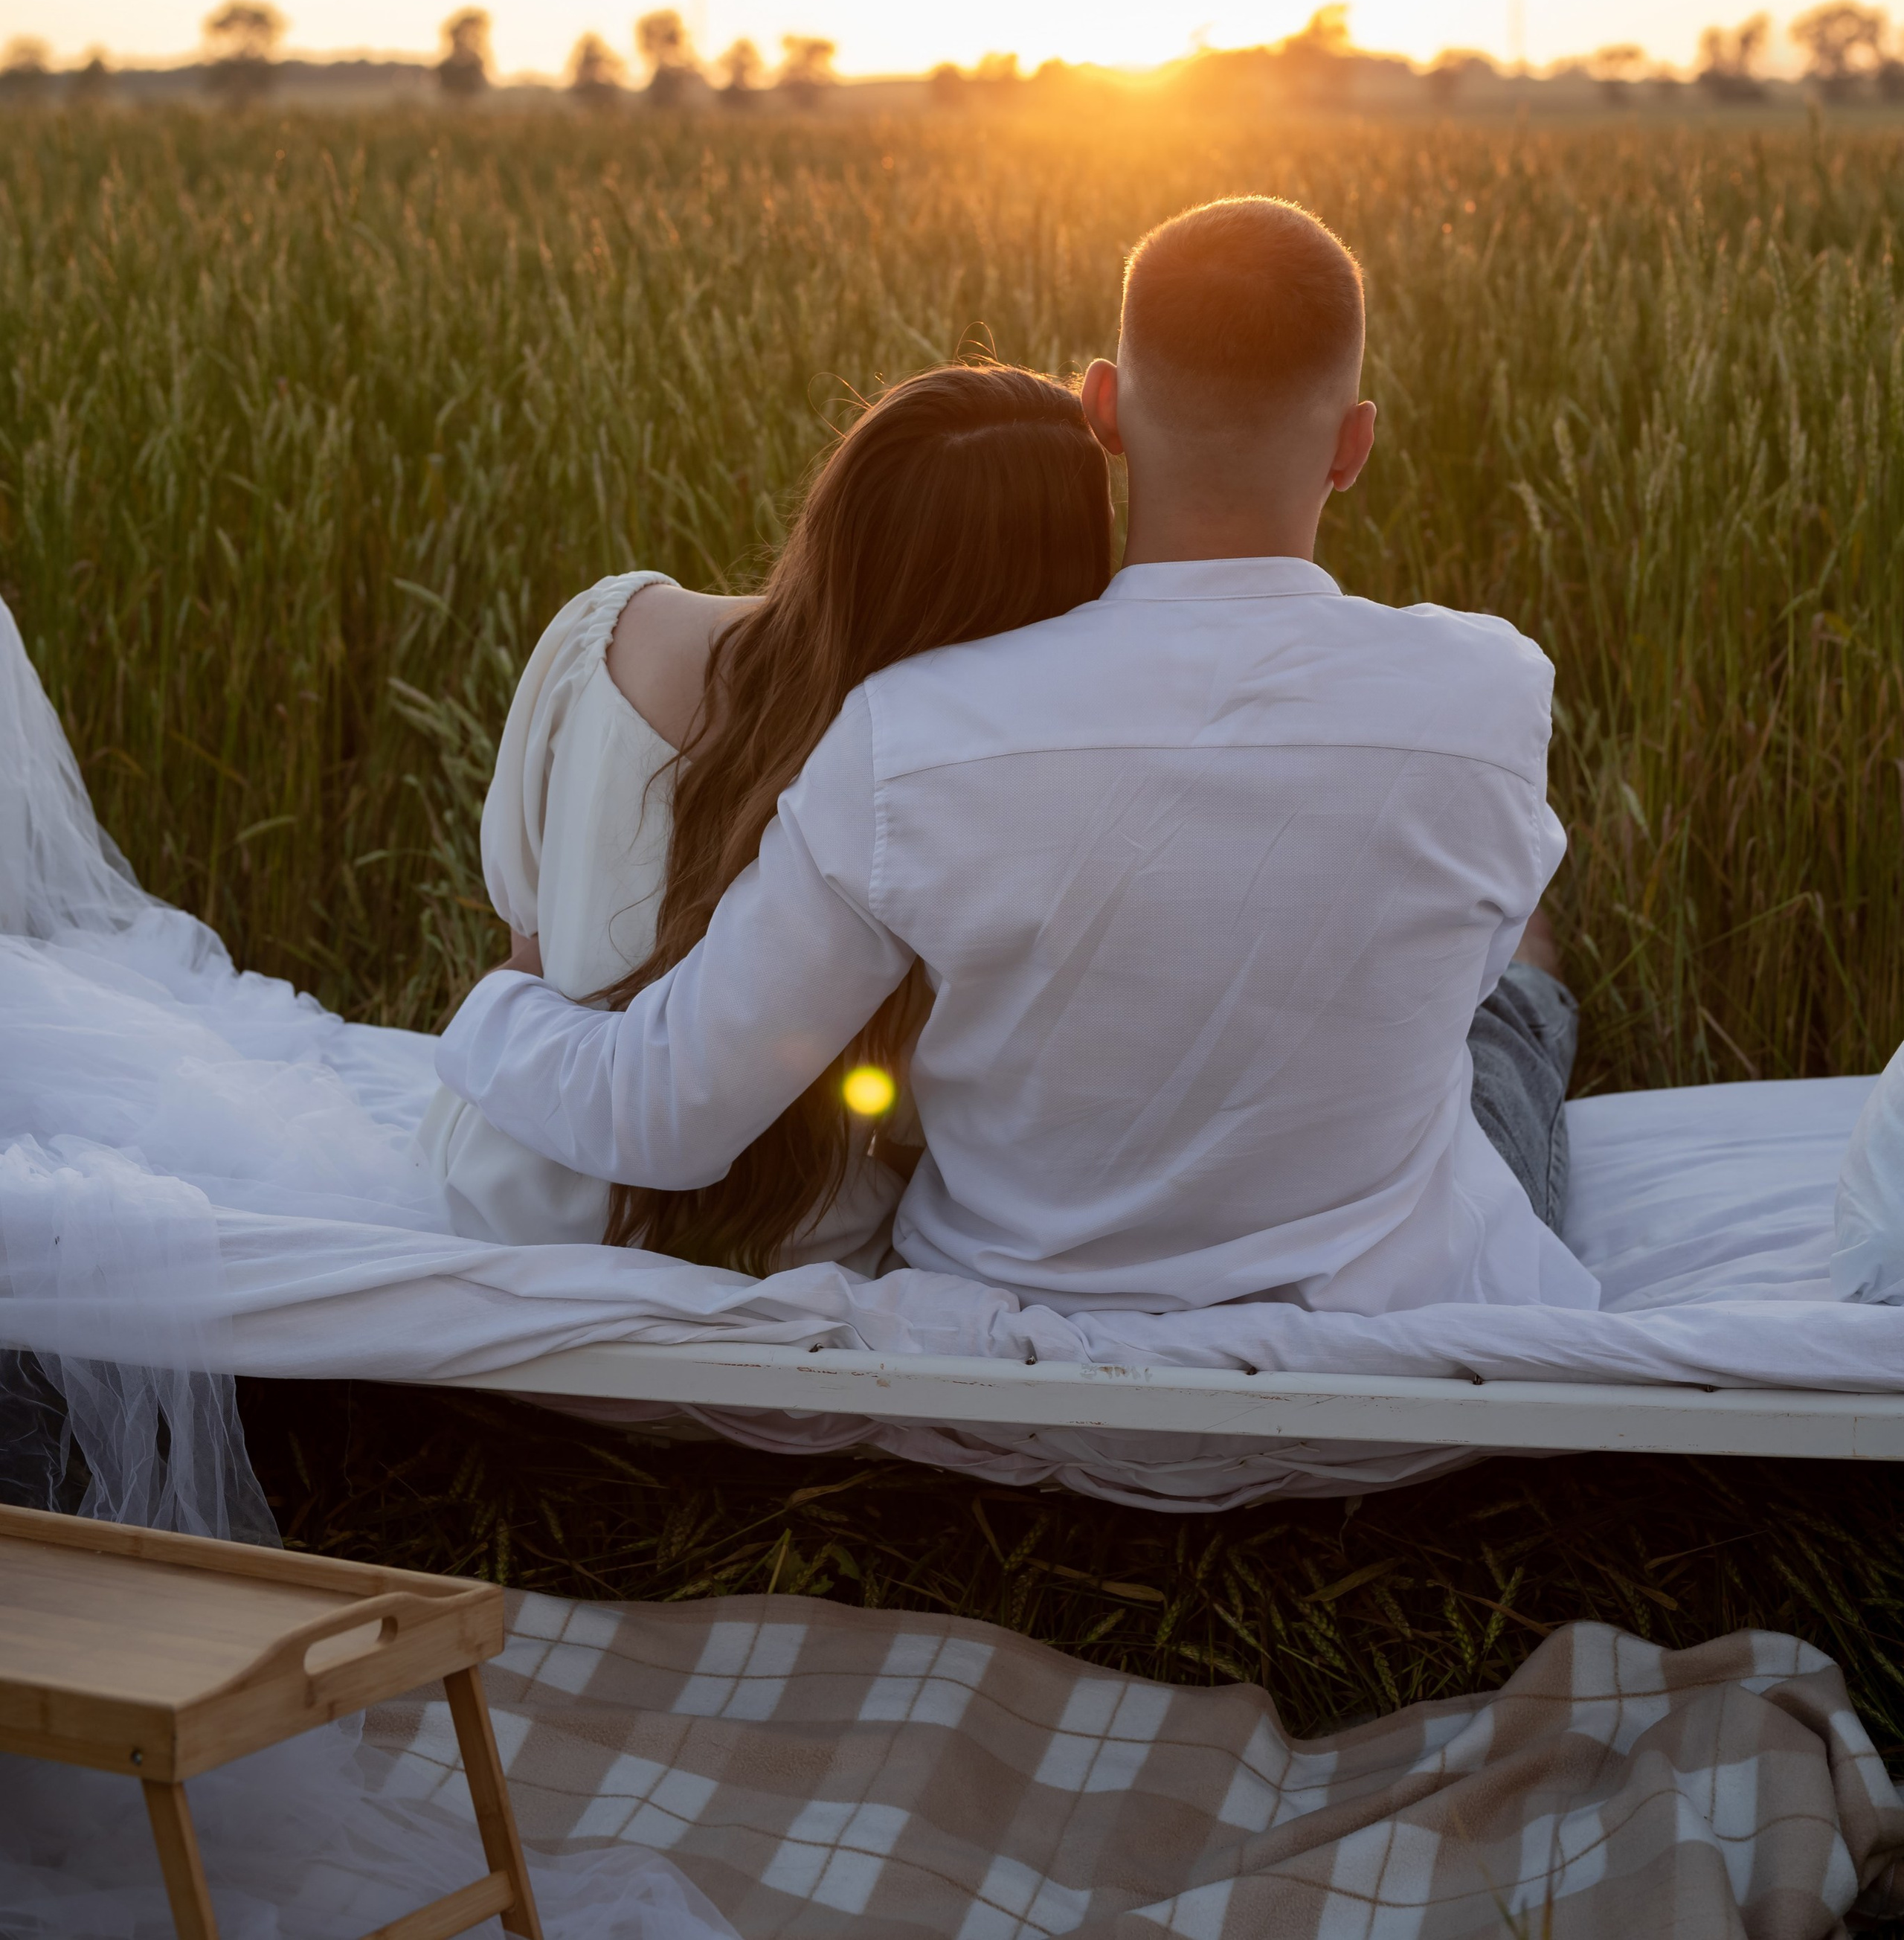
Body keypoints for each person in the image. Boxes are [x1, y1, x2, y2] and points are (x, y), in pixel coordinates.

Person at [436, 197, 1597, 1313]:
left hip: (1019, 1373)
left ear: (1102, 406)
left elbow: (667, 1113)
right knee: (1501, 1009)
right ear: (1354, 446)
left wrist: (490, 1008)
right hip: (1386, 1357)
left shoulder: (910, 730)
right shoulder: (1492, 690)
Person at [416, 361, 1115, 1268]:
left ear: (837, 515)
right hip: (786, 1255)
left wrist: (484, 1021)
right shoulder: (954, 785)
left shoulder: (612, 635)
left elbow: (528, 953)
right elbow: (919, 1119)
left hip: (515, 1194)